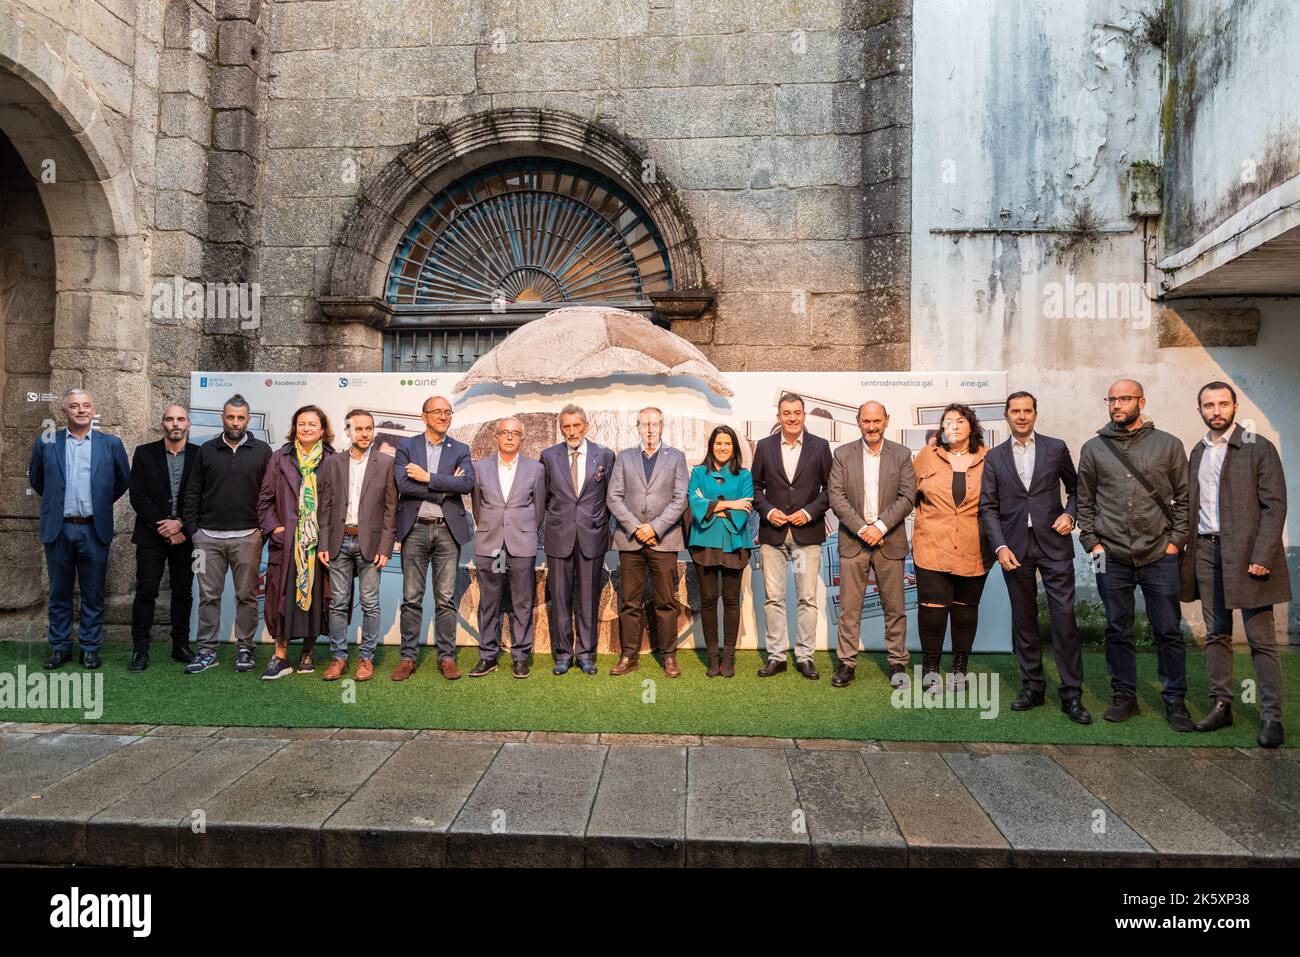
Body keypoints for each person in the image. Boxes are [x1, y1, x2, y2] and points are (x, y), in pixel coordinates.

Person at [1180, 382, 1290, 747]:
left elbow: (1275, 507)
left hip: (1248, 554)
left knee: (1261, 640)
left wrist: (1263, 555)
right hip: (1207, 552)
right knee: (1216, 634)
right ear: (1199, 410)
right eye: (1208, 405)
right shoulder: (1197, 451)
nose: (1216, 411)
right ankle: (1222, 705)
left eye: (1222, 404)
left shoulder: (1259, 447)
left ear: (1234, 406)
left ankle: (1272, 717)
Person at [1077, 379, 1191, 730]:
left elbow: (1186, 498)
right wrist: (1092, 545)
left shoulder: (1169, 445)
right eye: (1111, 399)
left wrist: (1175, 543)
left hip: (1160, 554)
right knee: (1116, 628)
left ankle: (1174, 700)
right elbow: (1085, 501)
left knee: (1169, 630)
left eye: (1124, 398)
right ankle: (1124, 696)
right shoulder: (1093, 448)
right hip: (1108, 555)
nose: (1116, 405)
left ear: (1141, 401)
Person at [980, 392, 1091, 723]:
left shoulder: (1055, 448)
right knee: (1024, 621)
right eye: (1016, 411)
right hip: (1014, 547)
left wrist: (1070, 515)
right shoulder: (995, 457)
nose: (1022, 416)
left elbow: (1077, 489)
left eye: (1027, 411)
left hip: (1053, 543)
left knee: (1064, 621)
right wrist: (999, 547)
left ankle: (1072, 694)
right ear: (1006, 415)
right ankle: (1033, 687)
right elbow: (988, 506)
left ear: (1036, 414)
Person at [28, 388, 131, 670]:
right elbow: (37, 480)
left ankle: (89, 647)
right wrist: (56, 504)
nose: (81, 410)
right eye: (74, 406)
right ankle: (60, 648)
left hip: (93, 529)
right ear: (64, 413)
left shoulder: (110, 444)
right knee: (60, 592)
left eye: (86, 405)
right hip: (59, 529)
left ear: (93, 409)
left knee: (93, 593)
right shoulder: (46, 443)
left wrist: (98, 503)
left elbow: (122, 481)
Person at [182, 394, 273, 674]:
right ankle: (207, 651)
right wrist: (194, 531)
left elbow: (269, 494)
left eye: (241, 417)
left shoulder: (262, 451)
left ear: (247, 419)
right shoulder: (206, 450)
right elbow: (192, 492)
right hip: (207, 538)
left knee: (247, 596)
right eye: (230, 417)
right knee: (208, 596)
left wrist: (261, 531)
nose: (235, 422)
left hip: (248, 536)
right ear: (223, 418)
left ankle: (245, 649)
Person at [827, 401, 915, 688]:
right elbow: (836, 496)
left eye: (877, 420)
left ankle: (897, 662)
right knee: (849, 608)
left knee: (895, 607)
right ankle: (847, 663)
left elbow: (907, 496)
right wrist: (863, 528)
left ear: (886, 420)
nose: (872, 426)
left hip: (890, 540)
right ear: (858, 421)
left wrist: (879, 527)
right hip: (854, 541)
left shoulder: (901, 455)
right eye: (866, 421)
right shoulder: (842, 454)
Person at [910, 403, 994, 689]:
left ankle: (960, 669)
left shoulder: (989, 459)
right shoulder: (927, 456)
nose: (953, 426)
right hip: (932, 547)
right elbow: (907, 497)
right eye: (947, 422)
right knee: (932, 610)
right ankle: (930, 669)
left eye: (959, 421)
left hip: (975, 548)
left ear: (972, 426)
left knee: (965, 610)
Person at [751, 393, 833, 680]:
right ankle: (776, 657)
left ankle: (805, 656)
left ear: (804, 415)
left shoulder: (820, 447)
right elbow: (756, 488)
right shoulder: (764, 447)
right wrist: (768, 511)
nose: (792, 417)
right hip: (773, 535)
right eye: (787, 413)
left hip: (806, 535)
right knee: (773, 598)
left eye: (797, 412)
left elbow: (830, 490)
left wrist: (809, 513)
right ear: (778, 417)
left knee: (807, 598)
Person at [393, 395, 475, 681]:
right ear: (424, 416)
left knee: (445, 598)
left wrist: (427, 477)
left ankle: (447, 657)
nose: (443, 416)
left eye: (447, 411)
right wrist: (443, 487)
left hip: (446, 529)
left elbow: (466, 483)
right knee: (412, 597)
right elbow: (402, 482)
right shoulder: (406, 446)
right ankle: (407, 657)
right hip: (414, 528)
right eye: (437, 412)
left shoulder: (460, 448)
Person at [607, 406, 689, 676]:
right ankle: (628, 655)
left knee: (665, 601)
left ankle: (669, 656)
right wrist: (635, 527)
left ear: (662, 427)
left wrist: (654, 528)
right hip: (630, 541)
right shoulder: (625, 457)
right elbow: (613, 498)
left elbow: (681, 499)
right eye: (645, 424)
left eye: (655, 424)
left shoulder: (676, 457)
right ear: (638, 427)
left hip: (663, 540)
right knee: (630, 602)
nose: (650, 429)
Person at [317, 409, 398, 682]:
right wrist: (323, 543)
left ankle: (366, 658)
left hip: (371, 543)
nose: (364, 433)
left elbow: (391, 509)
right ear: (348, 431)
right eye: (359, 428)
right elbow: (325, 506)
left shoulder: (386, 463)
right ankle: (338, 657)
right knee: (338, 603)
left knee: (370, 604)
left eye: (369, 428)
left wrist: (386, 547)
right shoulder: (333, 463)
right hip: (339, 541)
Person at [257, 405, 335, 680]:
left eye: (312, 424)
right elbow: (265, 500)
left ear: (323, 430)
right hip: (288, 542)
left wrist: (326, 538)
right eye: (301, 423)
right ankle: (280, 657)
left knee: (316, 601)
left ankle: (308, 654)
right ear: (294, 428)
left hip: (318, 545)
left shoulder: (333, 460)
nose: (306, 428)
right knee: (282, 600)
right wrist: (275, 529)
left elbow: (338, 505)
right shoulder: (280, 458)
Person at [541, 404, 616, 675]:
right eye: (566, 426)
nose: (571, 431)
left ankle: (585, 654)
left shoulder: (605, 455)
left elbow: (610, 497)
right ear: (561, 428)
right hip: (559, 536)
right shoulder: (548, 456)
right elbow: (545, 497)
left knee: (588, 599)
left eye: (576, 425)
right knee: (559, 598)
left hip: (592, 537)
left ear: (586, 425)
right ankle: (563, 654)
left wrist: (597, 523)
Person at [469, 416, 546, 678]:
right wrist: (493, 529)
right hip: (491, 545)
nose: (510, 437)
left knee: (522, 602)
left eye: (515, 433)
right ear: (497, 437)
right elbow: (478, 508)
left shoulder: (535, 469)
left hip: (521, 545)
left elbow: (539, 510)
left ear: (522, 438)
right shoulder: (479, 468)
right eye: (505, 432)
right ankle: (488, 656)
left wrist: (522, 531)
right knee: (489, 601)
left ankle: (520, 656)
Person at [127, 404, 199, 672]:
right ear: (163, 424)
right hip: (150, 536)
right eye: (170, 419)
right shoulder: (144, 453)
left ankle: (180, 646)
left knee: (183, 592)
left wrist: (180, 523)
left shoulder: (199, 455)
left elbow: (202, 495)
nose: (175, 423)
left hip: (185, 537)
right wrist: (164, 526)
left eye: (180, 419)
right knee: (146, 592)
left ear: (188, 424)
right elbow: (137, 495)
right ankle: (140, 650)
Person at [687, 425, 755, 677]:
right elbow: (694, 504)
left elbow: (745, 507)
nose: (722, 448)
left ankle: (729, 657)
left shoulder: (744, 475)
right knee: (707, 600)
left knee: (730, 601)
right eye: (718, 443)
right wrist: (728, 504)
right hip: (704, 541)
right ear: (711, 446)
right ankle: (712, 658)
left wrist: (711, 505)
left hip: (734, 542)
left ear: (734, 447)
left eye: (727, 444)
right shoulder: (697, 473)